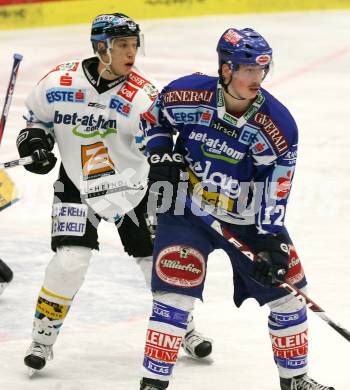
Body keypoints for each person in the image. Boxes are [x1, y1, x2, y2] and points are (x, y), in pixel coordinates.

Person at [16, 13, 212, 377]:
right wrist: (35, 143)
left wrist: (169, 170)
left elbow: (164, 144)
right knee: (69, 262)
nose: (131, 53)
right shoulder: (58, 82)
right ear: (100, 47)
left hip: (132, 189)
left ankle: (181, 326)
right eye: (122, 45)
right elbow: (36, 120)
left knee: (156, 263)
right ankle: (43, 337)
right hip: (77, 184)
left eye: (135, 44)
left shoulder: (144, 95)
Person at [138, 28, 335, 390]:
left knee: (291, 298)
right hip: (187, 209)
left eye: (261, 70)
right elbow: (153, 121)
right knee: (174, 296)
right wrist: (160, 152)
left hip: (247, 219)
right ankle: (153, 383)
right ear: (226, 69)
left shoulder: (278, 125)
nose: (256, 78)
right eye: (247, 70)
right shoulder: (185, 93)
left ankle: (296, 381)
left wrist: (271, 239)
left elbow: (278, 187)